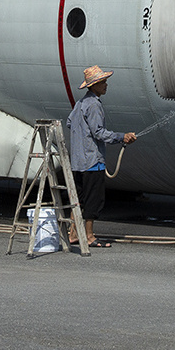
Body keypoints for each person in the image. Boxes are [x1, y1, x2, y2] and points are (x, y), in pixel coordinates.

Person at [66, 65, 136, 249]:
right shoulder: (94, 105)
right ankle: (89, 236)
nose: (106, 85)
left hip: (78, 161)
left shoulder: (81, 103)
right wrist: (122, 137)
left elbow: (69, 122)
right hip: (92, 162)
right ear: (94, 85)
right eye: (103, 82)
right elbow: (99, 133)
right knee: (93, 201)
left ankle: (73, 233)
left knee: (79, 199)